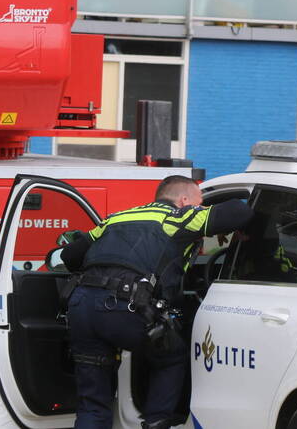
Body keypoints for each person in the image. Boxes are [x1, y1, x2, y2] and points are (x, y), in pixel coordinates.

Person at [60, 175, 253, 429]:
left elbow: (70, 255)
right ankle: (155, 422)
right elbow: (240, 211)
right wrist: (210, 217)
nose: (201, 207)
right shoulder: (178, 217)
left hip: (82, 307)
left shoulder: (116, 218)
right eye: (199, 202)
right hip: (126, 307)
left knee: (92, 404)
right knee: (172, 356)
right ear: (184, 201)